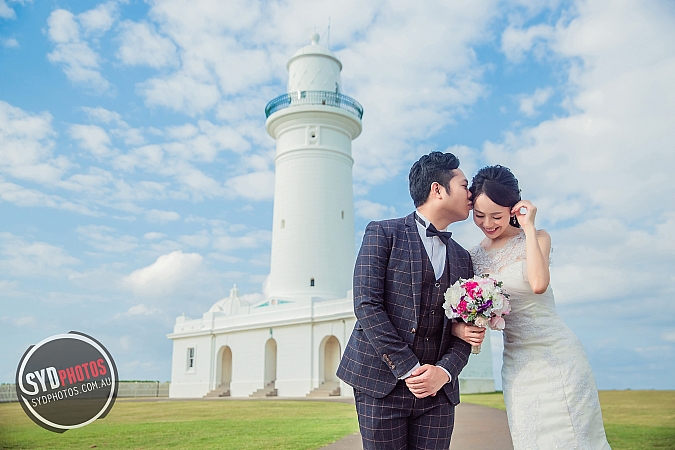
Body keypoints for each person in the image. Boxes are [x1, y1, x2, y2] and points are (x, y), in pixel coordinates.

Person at [337, 151, 486, 450]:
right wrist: (409, 368)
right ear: (437, 189)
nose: (471, 195)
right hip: (381, 384)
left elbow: (466, 326)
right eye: (464, 185)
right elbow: (366, 304)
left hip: (437, 392)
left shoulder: (463, 258)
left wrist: (443, 372)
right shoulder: (383, 233)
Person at [468, 165, 611, 449]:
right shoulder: (472, 257)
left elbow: (537, 283)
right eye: (479, 215)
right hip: (517, 364)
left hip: (558, 356)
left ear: (513, 209)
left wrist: (529, 227)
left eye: (496, 216)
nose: (487, 223)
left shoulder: (538, 237)